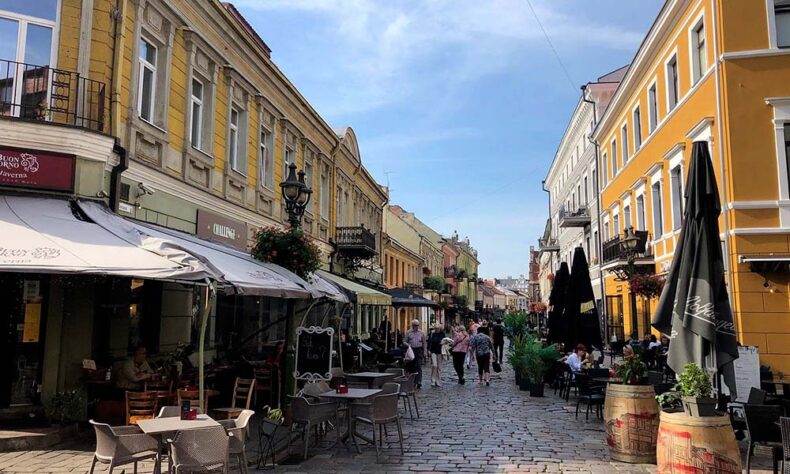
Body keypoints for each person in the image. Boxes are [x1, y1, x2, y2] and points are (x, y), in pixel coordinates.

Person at [404, 319, 426, 388]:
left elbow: (424, 343)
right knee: (411, 366)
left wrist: (425, 351)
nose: (416, 327)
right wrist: (408, 345)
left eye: (417, 325)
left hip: (419, 350)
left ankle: (418, 381)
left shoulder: (421, 333)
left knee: (418, 366)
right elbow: (404, 341)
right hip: (411, 350)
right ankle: (412, 381)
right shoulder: (408, 332)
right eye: (415, 325)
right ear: (412, 325)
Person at [427, 323, 446, 387]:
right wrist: (428, 350)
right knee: (434, 365)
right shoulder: (432, 334)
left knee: (439, 367)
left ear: (440, 329)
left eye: (438, 328)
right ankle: (433, 380)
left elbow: (445, 342)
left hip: (440, 352)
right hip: (433, 351)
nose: (437, 329)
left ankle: (437, 380)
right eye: (436, 328)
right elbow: (429, 342)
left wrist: (443, 343)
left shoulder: (442, 334)